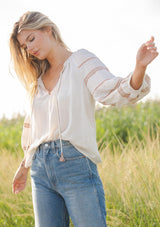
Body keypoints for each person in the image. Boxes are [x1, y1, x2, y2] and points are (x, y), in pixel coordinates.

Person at [10, 11, 158, 227]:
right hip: (40, 172)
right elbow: (34, 129)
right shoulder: (38, 81)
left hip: (75, 166)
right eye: (24, 46)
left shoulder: (80, 60)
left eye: (31, 39)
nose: (29, 48)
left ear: (48, 30)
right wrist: (24, 167)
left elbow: (112, 91)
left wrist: (139, 67)